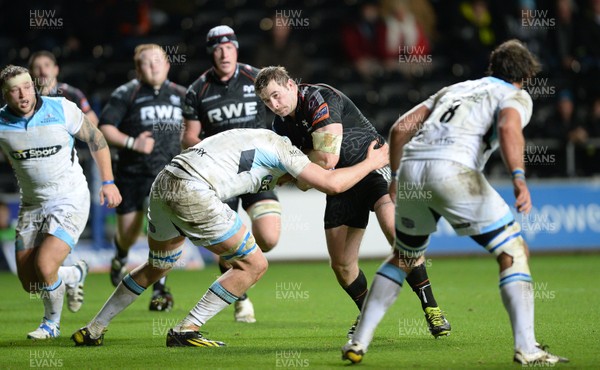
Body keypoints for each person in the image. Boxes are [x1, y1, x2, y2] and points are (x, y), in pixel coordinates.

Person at [341, 39, 569, 365]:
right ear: (525, 75)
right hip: (453, 171)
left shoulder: (455, 89)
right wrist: (518, 177)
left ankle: (358, 342)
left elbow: (400, 128)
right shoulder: (514, 94)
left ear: (493, 67)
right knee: (513, 251)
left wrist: (394, 177)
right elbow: (508, 127)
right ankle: (527, 348)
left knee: (404, 256)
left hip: (413, 170)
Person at [71, 128, 389, 347]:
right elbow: (332, 184)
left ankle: (94, 328)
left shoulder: (256, 136)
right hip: (193, 189)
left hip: (165, 182)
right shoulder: (287, 151)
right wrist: (372, 162)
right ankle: (186, 329)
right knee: (254, 265)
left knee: (157, 265)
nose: (313, 173)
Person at [254, 66, 450, 339]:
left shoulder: (319, 98)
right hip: (341, 186)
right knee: (342, 266)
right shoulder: (280, 126)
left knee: (397, 234)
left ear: (290, 85)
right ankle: (368, 314)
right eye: (266, 101)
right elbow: (303, 181)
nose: (274, 105)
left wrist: (299, 167)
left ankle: (432, 308)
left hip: (372, 168)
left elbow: (326, 162)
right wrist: (301, 171)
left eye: (276, 95)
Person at [0, 65, 121, 339]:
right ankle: (73, 275)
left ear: (33, 85)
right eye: (14, 91)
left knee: (44, 266)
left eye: (27, 87)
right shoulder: (1, 123)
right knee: (30, 284)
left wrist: (108, 182)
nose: (23, 95)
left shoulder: (61, 109)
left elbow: (97, 139)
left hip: (70, 198)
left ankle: (51, 324)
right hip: (32, 205)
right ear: (5, 95)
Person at [181, 25, 280, 323]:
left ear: (236, 48)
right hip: (222, 177)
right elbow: (189, 137)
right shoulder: (197, 90)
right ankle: (241, 295)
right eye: (218, 48)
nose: (224, 53)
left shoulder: (257, 78)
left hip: (258, 168)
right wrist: (216, 154)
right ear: (211, 52)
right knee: (227, 242)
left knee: (270, 237)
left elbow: (280, 106)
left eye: (229, 47)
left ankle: (237, 262)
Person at [98, 44, 186, 311]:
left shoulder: (182, 95)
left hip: (167, 173)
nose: (153, 66)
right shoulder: (126, 93)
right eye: (146, 63)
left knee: (164, 230)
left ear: (168, 65)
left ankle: (160, 290)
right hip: (133, 173)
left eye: (158, 61)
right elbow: (104, 128)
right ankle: (121, 256)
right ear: (138, 69)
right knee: (129, 233)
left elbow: (194, 128)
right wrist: (133, 142)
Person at [28, 50, 99, 125]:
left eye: (47, 65)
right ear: (31, 73)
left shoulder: (71, 94)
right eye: (37, 67)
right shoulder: (27, 97)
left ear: (56, 69)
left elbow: (93, 122)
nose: (42, 71)